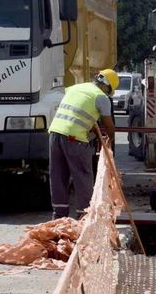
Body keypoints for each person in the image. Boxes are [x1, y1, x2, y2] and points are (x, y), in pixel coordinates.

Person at [47, 69, 119, 219]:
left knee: (58, 175)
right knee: (82, 176)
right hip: (75, 139)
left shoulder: (76, 87)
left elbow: (77, 111)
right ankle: (84, 216)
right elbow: (109, 125)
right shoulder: (101, 97)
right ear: (107, 87)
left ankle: (59, 216)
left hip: (55, 134)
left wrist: (91, 125)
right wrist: (109, 140)